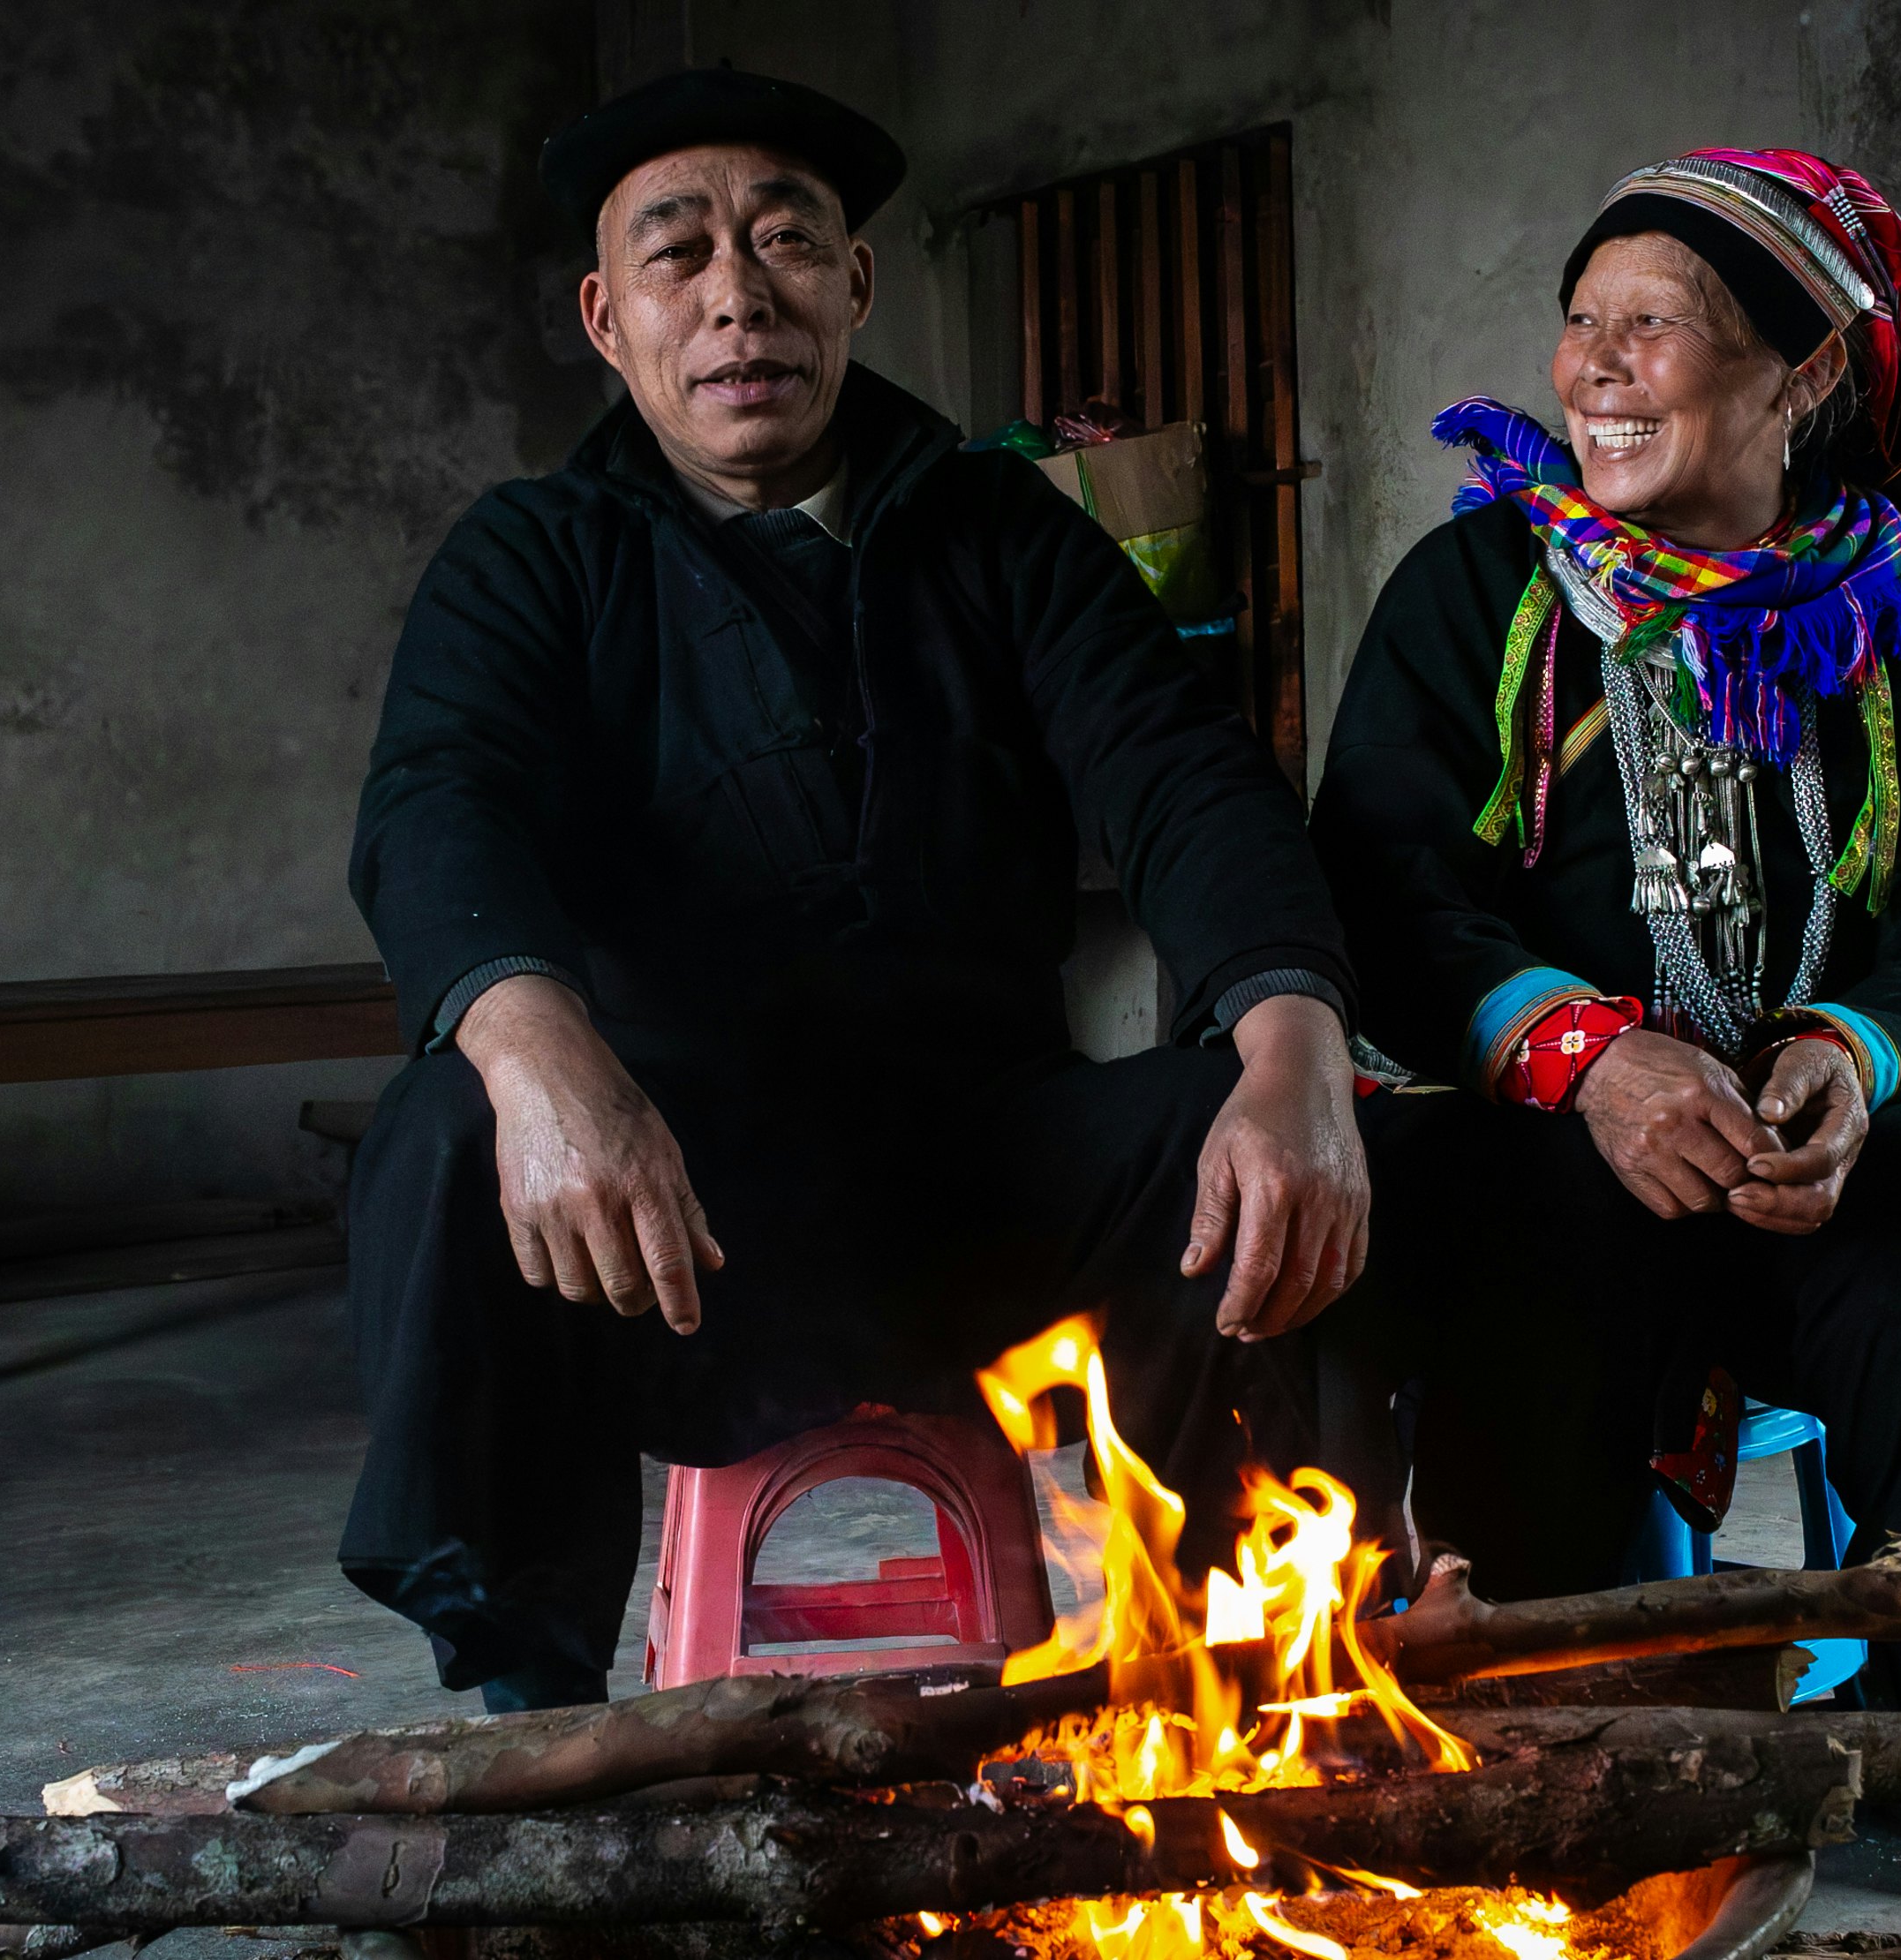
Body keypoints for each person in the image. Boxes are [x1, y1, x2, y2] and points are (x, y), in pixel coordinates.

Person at [340, 64, 1374, 1717]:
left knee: (1227, 1128)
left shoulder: (1002, 533)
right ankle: (531, 1720)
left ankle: (1229, 1689)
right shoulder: (535, 554)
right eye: (681, 256)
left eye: (786, 243)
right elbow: (434, 802)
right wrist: (538, 1054)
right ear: (609, 321)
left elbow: (1183, 774)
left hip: (991, 1181)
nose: (739, 293)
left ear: (857, 285)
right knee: (454, 1126)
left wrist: (1298, 1048)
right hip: (688, 1232)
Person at [1312, 150, 1901, 1907]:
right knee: (1537, 1245)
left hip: (1796, 1170)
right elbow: (1382, 894)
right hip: (1544, 1140)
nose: (1594, 368)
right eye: (1578, 325)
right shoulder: (1483, 594)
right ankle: (1547, 1726)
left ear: (1803, 375)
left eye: (1653, 328)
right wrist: (1585, 1056)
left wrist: (1852, 1055)